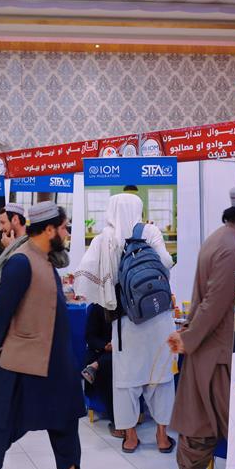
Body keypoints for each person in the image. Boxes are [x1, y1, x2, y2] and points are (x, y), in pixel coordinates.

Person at [0, 202, 107, 469]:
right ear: (48, 229)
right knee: (7, 419)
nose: (67, 232)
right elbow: (1, 312)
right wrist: (1, 350)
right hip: (22, 360)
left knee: (65, 414)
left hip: (53, 360)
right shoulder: (21, 262)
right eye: (64, 227)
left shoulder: (44, 259)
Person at [74, 193, 175, 455]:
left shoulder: (104, 239)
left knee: (126, 381)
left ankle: (130, 437)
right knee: (161, 378)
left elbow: (85, 281)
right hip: (158, 318)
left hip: (127, 323)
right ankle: (162, 437)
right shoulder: (150, 231)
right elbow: (167, 263)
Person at [167, 189, 235, 469]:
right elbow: (215, 302)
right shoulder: (233, 247)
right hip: (218, 351)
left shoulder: (217, 238)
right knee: (233, 422)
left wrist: (189, 337)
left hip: (204, 347)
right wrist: (190, 339)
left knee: (199, 424)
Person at [82, 303, 119, 438]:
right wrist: (105, 346)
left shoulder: (127, 306)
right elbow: (90, 337)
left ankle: (94, 366)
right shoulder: (97, 307)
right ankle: (117, 421)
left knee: (109, 362)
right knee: (108, 364)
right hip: (101, 351)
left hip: (123, 351)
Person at [0, 203, 28, 293]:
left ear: (15, 219)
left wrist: (10, 248)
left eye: (3, 223)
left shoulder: (31, 244)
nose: (0, 228)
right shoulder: (10, 242)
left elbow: (20, 274)